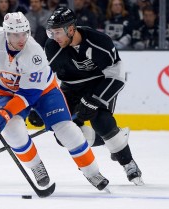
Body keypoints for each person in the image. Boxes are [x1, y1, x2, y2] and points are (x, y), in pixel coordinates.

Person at [0, 11, 110, 191]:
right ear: (6, 33)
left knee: (67, 131)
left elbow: (28, 95)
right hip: (6, 92)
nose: (21, 39)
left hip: (43, 91)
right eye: (15, 34)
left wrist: (4, 114)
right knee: (12, 130)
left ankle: (92, 172)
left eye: (24, 33)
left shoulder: (34, 53)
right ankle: (36, 166)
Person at [42, 7, 144, 185]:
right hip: (71, 88)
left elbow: (117, 77)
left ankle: (128, 162)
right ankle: (112, 138)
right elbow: (45, 78)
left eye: (57, 32)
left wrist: (94, 100)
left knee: (101, 121)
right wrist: (40, 105)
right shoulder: (52, 47)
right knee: (63, 134)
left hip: (99, 85)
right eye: (51, 32)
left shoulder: (99, 42)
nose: (54, 37)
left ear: (71, 29)